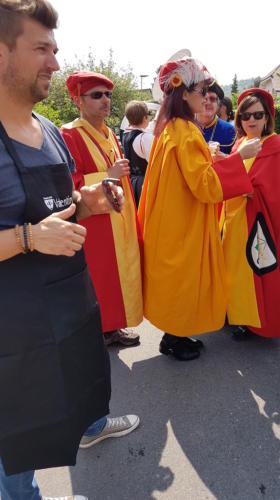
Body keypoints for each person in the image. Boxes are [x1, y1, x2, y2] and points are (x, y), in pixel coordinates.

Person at [0, 2, 138, 499]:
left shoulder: (52, 133)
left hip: (68, 315)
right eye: (40, 49)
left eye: (55, 50)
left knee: (62, 417)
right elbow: (36, 226)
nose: (56, 65)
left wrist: (90, 200)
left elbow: (63, 202)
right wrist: (28, 238)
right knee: (16, 454)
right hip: (12, 338)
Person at [138, 57, 262, 361]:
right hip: (184, 222)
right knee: (184, 281)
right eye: (200, 89)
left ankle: (174, 334)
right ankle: (173, 339)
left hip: (173, 218)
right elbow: (205, 186)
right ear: (183, 93)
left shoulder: (171, 128)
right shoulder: (186, 131)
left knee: (176, 280)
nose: (205, 95)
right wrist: (238, 156)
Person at [61, 71, 143, 347]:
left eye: (107, 94)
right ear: (78, 101)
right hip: (94, 220)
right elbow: (69, 183)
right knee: (102, 276)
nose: (105, 100)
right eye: (97, 95)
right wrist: (106, 174)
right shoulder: (70, 134)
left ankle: (113, 327)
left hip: (117, 217)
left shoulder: (110, 133)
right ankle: (102, 330)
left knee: (116, 275)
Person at [222, 88, 280, 340]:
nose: (251, 120)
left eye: (257, 115)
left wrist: (239, 183)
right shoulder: (240, 144)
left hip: (256, 223)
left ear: (266, 118)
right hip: (235, 219)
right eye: (245, 115)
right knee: (234, 270)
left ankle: (254, 322)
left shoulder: (275, 148)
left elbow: (277, 193)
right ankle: (235, 313)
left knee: (254, 272)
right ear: (239, 119)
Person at [122, 100, 154, 207]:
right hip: (144, 184)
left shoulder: (126, 135)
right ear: (145, 118)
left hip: (131, 183)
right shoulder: (145, 137)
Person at [196, 80, 236, 154]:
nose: (208, 102)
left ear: (218, 104)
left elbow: (235, 163)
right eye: (204, 98)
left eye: (212, 99)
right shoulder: (185, 126)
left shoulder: (229, 131)